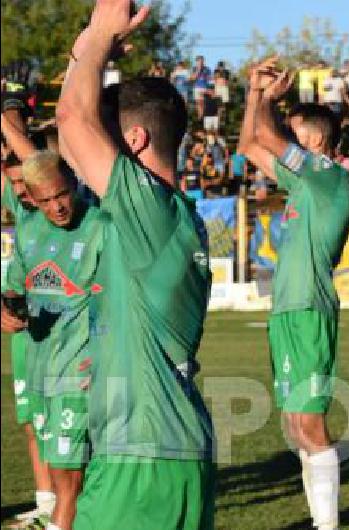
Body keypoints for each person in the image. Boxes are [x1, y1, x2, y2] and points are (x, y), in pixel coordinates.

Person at [57, 2, 215, 528]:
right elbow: (73, 142)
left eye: (110, 142)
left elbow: (72, 123)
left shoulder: (148, 204)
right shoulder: (169, 216)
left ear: (136, 142)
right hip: (165, 454)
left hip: (141, 462)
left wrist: (101, 32)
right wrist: (87, 55)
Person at [237, 57, 349, 530]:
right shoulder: (305, 183)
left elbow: (265, 136)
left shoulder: (329, 177)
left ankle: (328, 526)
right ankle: (317, 519)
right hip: (288, 309)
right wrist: (252, 95)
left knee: (310, 423)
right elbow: (249, 143)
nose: (286, 135)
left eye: (295, 130)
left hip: (308, 308)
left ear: (316, 140)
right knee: (294, 424)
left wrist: (267, 99)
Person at [4, 151, 105, 530]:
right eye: (45, 200)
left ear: (74, 184)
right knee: (64, 475)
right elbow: (15, 289)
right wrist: (9, 309)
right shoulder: (29, 230)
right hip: (40, 364)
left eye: (62, 194)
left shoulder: (100, 226)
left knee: (70, 478)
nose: (57, 207)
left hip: (80, 368)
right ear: (29, 198)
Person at [0, 111, 56, 527]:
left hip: (65, 336)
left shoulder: (61, 212)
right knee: (32, 420)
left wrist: (8, 113)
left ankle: (68, 504)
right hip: (25, 335)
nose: (19, 191)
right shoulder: (22, 216)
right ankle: (45, 503)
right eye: (14, 184)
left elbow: (29, 156)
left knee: (63, 421)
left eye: (25, 184)